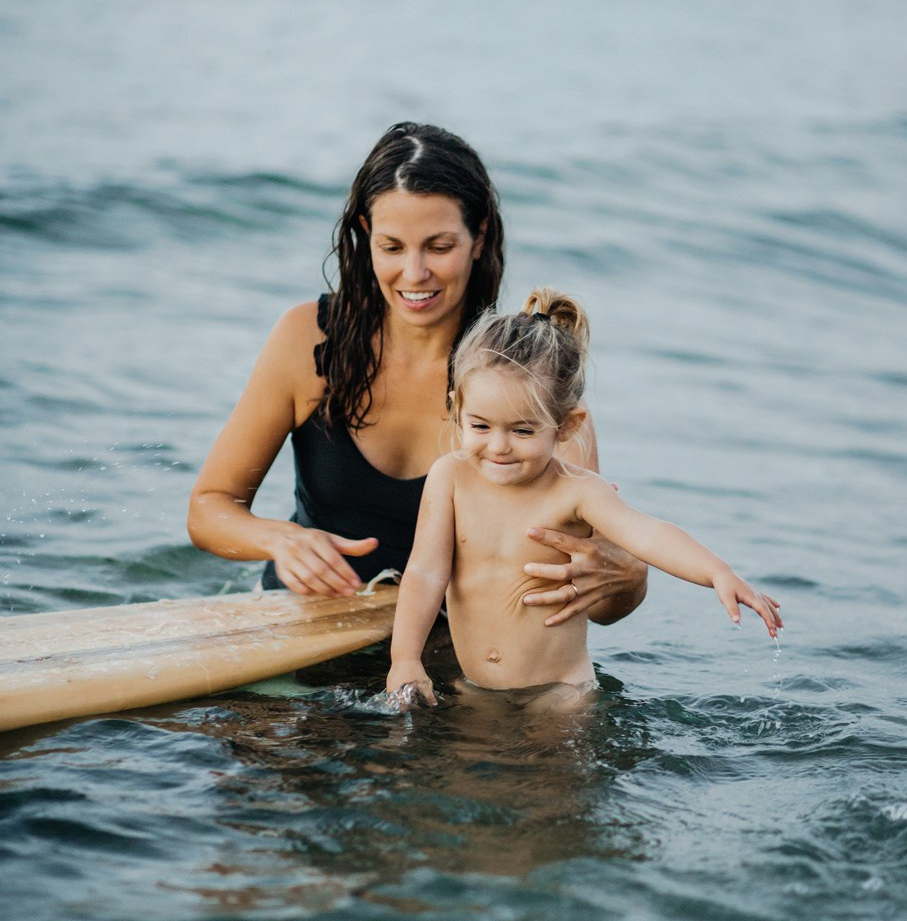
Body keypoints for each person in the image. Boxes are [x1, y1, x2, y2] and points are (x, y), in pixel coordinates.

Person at [187, 123, 647, 625]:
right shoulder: (309, 339)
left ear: (479, 238)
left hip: (449, 651)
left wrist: (627, 578)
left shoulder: (524, 373)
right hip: (304, 627)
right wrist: (280, 539)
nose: (414, 272)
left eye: (439, 246)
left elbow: (602, 603)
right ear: (365, 235)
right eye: (391, 247)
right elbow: (210, 508)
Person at [386, 288, 783, 705]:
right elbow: (425, 573)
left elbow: (648, 535)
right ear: (457, 409)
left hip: (560, 695)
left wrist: (717, 572)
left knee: (554, 770)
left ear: (567, 426)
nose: (499, 446)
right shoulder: (450, 477)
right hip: (476, 689)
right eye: (481, 426)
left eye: (522, 431)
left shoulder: (575, 491)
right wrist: (405, 659)